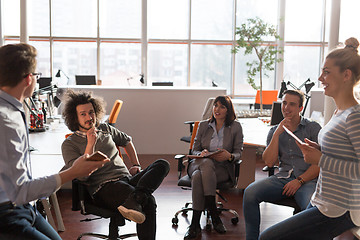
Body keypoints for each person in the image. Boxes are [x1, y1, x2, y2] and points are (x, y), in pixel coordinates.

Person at [0, 44, 109, 240]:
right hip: (8, 213)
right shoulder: (6, 120)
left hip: (24, 205)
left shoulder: (11, 109)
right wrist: (73, 172)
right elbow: (20, 191)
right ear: (28, 79)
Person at [259, 37, 360, 240]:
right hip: (323, 200)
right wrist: (318, 149)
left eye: (326, 72)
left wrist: (320, 159)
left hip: (339, 209)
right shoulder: (339, 112)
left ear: (346, 75)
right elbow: (344, 153)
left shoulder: (354, 116)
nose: (320, 78)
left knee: (268, 238)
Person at [61, 89, 170, 240]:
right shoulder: (69, 144)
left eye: (91, 112)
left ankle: (135, 198)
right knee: (149, 201)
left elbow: (127, 141)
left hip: (125, 179)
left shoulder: (105, 129)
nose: (89, 117)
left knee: (162, 164)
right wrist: (90, 144)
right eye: (83, 114)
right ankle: (137, 198)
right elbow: (81, 176)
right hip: (103, 187)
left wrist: (135, 164)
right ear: (74, 117)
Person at [243, 89, 322, 240]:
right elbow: (269, 162)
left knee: (312, 211)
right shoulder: (274, 130)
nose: (286, 108)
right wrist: (278, 133)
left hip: (307, 180)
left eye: (292, 104)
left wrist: (299, 181)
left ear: (300, 108)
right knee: (250, 193)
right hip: (283, 178)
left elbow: (319, 164)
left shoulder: (312, 128)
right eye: (284, 103)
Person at [184, 95, 244, 239]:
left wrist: (229, 156)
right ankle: (213, 211)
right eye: (215, 105)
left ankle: (194, 224)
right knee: (206, 162)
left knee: (198, 177)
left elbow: (238, 153)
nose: (217, 109)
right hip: (199, 163)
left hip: (222, 169)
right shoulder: (204, 125)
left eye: (222, 107)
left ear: (228, 111)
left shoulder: (236, 127)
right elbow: (194, 150)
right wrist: (202, 153)